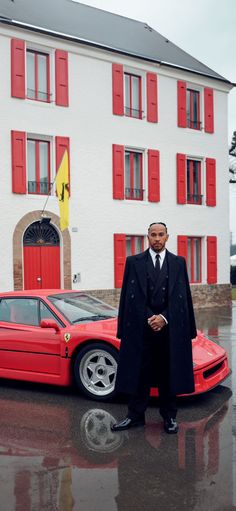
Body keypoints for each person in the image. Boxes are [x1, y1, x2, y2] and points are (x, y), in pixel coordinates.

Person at [111, 222, 197, 434]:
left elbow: (182, 298)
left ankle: (169, 417)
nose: (157, 238)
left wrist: (164, 318)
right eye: (153, 235)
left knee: (169, 372)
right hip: (142, 329)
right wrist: (150, 317)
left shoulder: (178, 263)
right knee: (139, 373)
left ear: (167, 237)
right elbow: (128, 298)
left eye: (161, 235)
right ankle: (135, 416)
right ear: (147, 237)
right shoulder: (134, 262)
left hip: (169, 330)